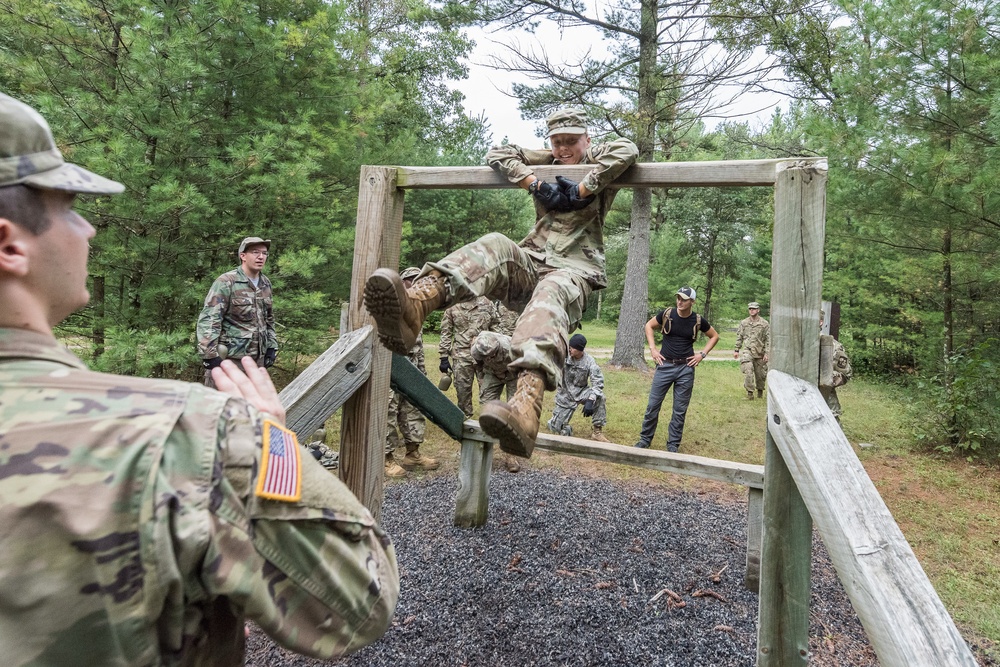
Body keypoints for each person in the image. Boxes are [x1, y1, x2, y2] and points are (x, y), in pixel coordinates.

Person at [0, 92, 398, 665]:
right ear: (10, 243)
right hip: (230, 379)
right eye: (68, 206)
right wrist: (263, 442)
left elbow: (267, 322)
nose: (87, 229)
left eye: (265, 251)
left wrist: (271, 352)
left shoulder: (264, 288)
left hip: (253, 364)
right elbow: (361, 600)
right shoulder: (190, 436)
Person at [364, 107, 638, 459]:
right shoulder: (547, 161)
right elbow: (498, 152)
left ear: (587, 138)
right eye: (558, 141)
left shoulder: (597, 158)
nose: (565, 148)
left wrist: (583, 188)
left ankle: (527, 407)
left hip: (573, 270)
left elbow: (627, 149)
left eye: (573, 140)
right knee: (496, 242)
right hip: (531, 261)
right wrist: (535, 181)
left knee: (550, 292)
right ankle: (417, 304)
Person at [634, 287, 719, 452]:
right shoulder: (667, 314)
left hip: (686, 369)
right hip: (665, 366)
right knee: (653, 405)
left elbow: (714, 336)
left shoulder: (698, 320)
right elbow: (649, 326)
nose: (680, 302)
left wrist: (702, 354)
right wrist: (653, 349)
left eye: (684, 299)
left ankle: (673, 445)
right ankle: (645, 439)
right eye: (678, 298)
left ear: (692, 302)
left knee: (679, 410)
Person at [196, 235, 278, 387]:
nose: (261, 257)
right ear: (243, 256)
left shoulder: (265, 283)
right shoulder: (227, 282)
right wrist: (209, 356)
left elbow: (269, 318)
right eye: (255, 252)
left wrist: (272, 346)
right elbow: (210, 318)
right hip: (229, 362)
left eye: (264, 253)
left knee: (250, 408)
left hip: (256, 363)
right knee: (220, 407)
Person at [385, 267, 440, 478]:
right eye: (412, 281)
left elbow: (418, 346)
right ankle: (386, 458)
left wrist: (422, 374)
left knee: (413, 409)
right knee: (389, 411)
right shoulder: (391, 306)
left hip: (413, 370)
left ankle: (413, 453)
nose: (417, 286)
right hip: (391, 371)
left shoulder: (417, 307)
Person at [470, 331, 522, 472]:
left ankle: (511, 455)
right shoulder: (477, 349)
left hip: (513, 374)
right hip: (492, 374)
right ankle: (484, 448)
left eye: (493, 353)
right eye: (488, 355)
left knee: (513, 412)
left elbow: (522, 367)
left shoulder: (512, 347)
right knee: (486, 407)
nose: (491, 356)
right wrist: (481, 379)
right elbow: (477, 364)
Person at [439, 296, 498, 417]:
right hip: (462, 357)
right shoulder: (453, 305)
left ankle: (490, 421)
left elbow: (495, 328)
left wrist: (496, 351)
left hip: (484, 357)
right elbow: (446, 332)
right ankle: (465, 420)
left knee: (489, 392)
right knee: (462, 392)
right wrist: (443, 356)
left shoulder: (487, 303)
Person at [546, 333, 611, 443]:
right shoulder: (563, 356)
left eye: (572, 348)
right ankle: (560, 424)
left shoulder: (589, 361)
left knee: (600, 397)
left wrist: (591, 399)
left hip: (581, 392)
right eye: (569, 347)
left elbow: (598, 383)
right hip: (565, 395)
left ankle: (597, 432)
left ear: (580, 349)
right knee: (555, 428)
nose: (570, 349)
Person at [820, 309, 853, 420]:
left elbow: (845, 373)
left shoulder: (833, 346)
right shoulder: (795, 345)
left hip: (826, 404)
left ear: (820, 322)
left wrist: (829, 378)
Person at [734, 301, 770, 399]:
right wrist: (736, 349)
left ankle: (760, 392)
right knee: (748, 370)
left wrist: (767, 353)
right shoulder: (744, 323)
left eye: (753, 309)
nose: (751, 310)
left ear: (758, 310)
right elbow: (740, 336)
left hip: (760, 351)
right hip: (748, 350)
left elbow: (768, 339)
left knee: (760, 374)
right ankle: (750, 393)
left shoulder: (764, 324)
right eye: (750, 309)